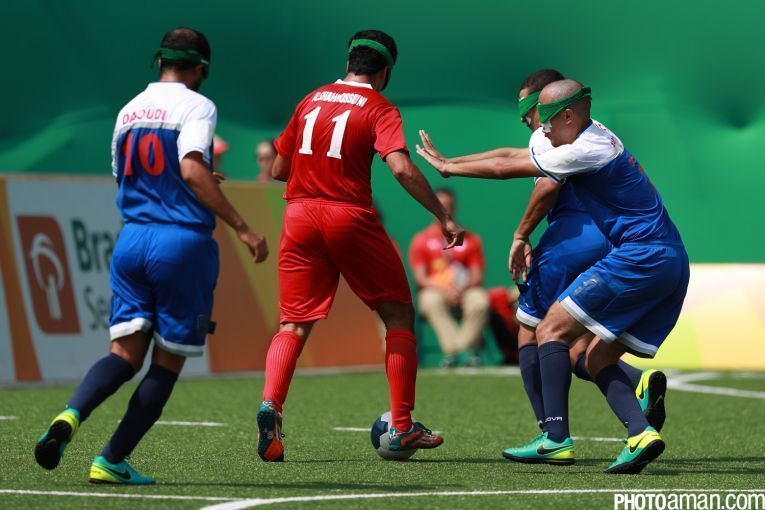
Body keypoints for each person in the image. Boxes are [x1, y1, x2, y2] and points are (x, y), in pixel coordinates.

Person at [33, 27, 269, 484]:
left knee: (123, 355)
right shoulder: (198, 105)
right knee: (167, 361)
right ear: (200, 69)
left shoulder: (128, 110)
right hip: (181, 244)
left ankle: (70, 415)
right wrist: (242, 227)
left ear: (159, 62)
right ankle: (111, 459)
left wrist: (189, 181)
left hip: (132, 239)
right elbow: (190, 167)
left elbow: (129, 176)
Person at [417, 79, 689, 474]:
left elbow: (504, 168)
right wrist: (452, 161)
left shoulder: (583, 150)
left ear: (568, 116)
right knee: (592, 356)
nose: (541, 130)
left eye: (545, 121)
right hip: (672, 261)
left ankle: (555, 438)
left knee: (546, 330)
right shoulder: (588, 134)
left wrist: (447, 168)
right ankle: (640, 433)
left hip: (637, 256)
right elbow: (511, 153)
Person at [257, 29, 464, 462]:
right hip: (347, 216)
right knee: (398, 314)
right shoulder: (379, 107)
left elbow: (278, 170)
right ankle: (402, 425)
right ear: (385, 72)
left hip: (298, 216)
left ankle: (271, 406)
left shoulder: (310, 100)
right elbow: (401, 168)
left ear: (348, 63)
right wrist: (442, 216)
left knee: (292, 324)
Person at [409, 188, 490, 367]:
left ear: (454, 208)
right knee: (429, 300)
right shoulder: (421, 239)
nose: (443, 211)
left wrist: (460, 290)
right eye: (438, 206)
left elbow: (477, 275)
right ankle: (459, 351)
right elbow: (420, 278)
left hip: (465, 290)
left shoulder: (471, 239)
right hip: (435, 291)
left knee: (480, 300)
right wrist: (445, 291)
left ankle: (458, 351)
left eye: (447, 207)